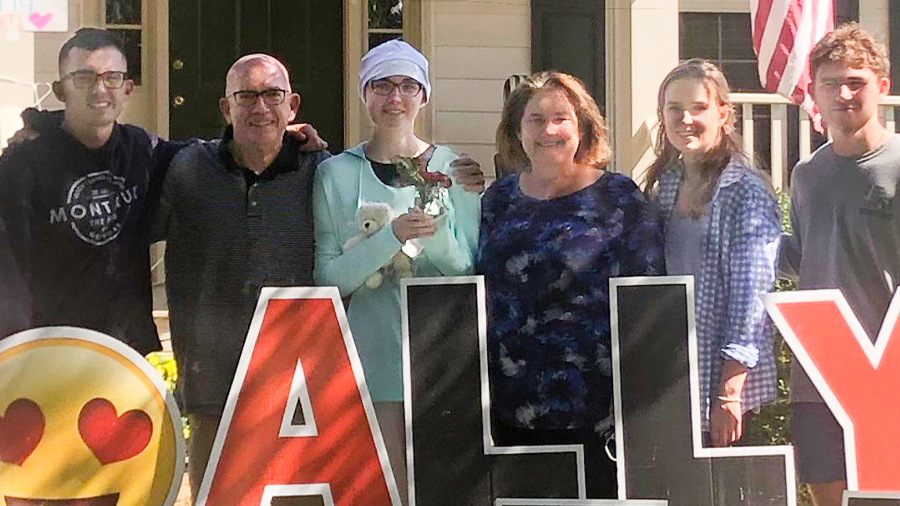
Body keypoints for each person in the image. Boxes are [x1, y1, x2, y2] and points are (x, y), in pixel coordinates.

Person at [476, 71, 664, 497]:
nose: (549, 130)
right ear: (516, 130)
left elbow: (648, 298)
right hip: (512, 409)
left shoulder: (620, 197)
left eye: (561, 118)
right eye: (535, 119)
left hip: (599, 411)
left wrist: (636, 392)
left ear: (582, 127)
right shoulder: (497, 200)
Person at [152, 53, 333, 498]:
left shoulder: (324, 172)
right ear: (225, 108)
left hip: (295, 377)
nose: (260, 107)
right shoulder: (185, 168)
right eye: (246, 96)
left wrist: (453, 175)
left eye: (272, 95)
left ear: (292, 106)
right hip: (211, 367)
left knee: (294, 493)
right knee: (217, 490)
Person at [313, 40, 483, 503]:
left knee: (439, 488)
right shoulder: (336, 175)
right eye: (382, 86)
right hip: (372, 358)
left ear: (424, 97)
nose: (395, 99)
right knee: (380, 489)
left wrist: (431, 233)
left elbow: (467, 268)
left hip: (441, 358)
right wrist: (389, 239)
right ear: (365, 95)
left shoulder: (454, 170)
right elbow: (328, 278)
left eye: (408, 86)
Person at [779, 23, 899, 506]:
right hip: (822, 373)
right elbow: (805, 261)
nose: (843, 93)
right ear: (814, 93)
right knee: (830, 496)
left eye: (856, 82)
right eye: (830, 83)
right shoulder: (807, 175)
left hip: (889, 370)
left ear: (882, 87)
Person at [0, 28, 165, 353]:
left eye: (112, 77)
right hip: (48, 348)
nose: (99, 88)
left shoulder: (144, 150)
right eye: (84, 78)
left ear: (128, 88)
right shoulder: (22, 164)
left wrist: (286, 136)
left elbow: (217, 156)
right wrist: (15, 350)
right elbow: (9, 268)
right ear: (60, 90)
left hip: (125, 349)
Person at [643, 59, 780, 448]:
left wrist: (729, 394)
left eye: (698, 108)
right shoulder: (662, 188)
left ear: (724, 114)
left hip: (723, 391)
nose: (685, 118)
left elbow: (751, 303)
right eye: (674, 109)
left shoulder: (745, 193)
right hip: (669, 382)